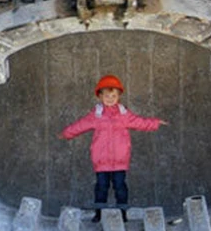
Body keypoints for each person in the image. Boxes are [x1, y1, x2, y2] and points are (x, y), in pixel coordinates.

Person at [59, 75, 168, 221]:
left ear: (119, 97)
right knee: (101, 187)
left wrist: (155, 123)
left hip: (120, 160)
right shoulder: (96, 115)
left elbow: (140, 122)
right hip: (101, 160)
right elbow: (80, 125)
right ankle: (99, 213)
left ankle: (123, 213)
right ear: (100, 96)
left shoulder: (124, 115)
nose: (110, 99)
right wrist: (66, 133)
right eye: (107, 96)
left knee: (120, 187)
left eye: (114, 95)